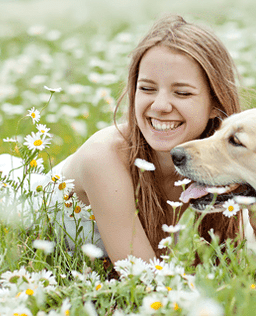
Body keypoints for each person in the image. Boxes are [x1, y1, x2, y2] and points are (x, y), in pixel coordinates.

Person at [59, 14, 243, 264]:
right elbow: (143, 280)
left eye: (182, 92)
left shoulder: (229, 164)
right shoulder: (103, 158)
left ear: (215, 103)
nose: (160, 105)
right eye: (146, 88)